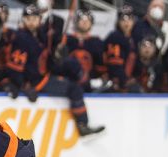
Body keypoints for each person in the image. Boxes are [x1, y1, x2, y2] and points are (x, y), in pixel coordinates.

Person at [6, 4, 105, 137]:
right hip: (36, 83)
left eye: (34, 19)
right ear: (23, 20)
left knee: (71, 74)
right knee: (74, 88)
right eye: (28, 19)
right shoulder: (22, 38)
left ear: (39, 19)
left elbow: (52, 40)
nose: (31, 22)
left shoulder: (38, 36)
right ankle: (82, 125)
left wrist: (57, 54)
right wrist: (24, 86)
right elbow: (15, 68)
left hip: (42, 78)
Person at [66, 9, 107, 92]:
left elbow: (101, 67)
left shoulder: (97, 42)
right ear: (76, 22)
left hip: (91, 84)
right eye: (82, 20)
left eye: (88, 20)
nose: (85, 22)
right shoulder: (67, 40)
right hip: (69, 82)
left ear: (91, 24)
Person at [104, 5, 137, 92]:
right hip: (117, 83)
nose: (126, 23)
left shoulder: (135, 38)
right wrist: (123, 81)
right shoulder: (115, 38)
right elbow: (114, 65)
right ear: (118, 22)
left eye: (129, 19)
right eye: (123, 20)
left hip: (130, 79)